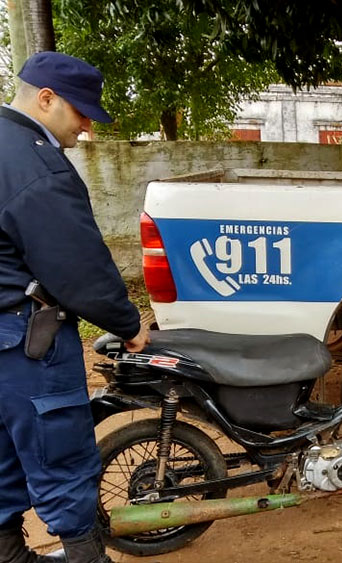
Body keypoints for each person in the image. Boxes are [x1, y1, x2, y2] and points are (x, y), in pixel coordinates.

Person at [0, 51, 150, 563]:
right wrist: (129, 324)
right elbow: (78, 266)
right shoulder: (35, 162)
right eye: (81, 112)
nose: (86, 126)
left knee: (2, 462)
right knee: (63, 461)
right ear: (45, 98)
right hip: (28, 345)